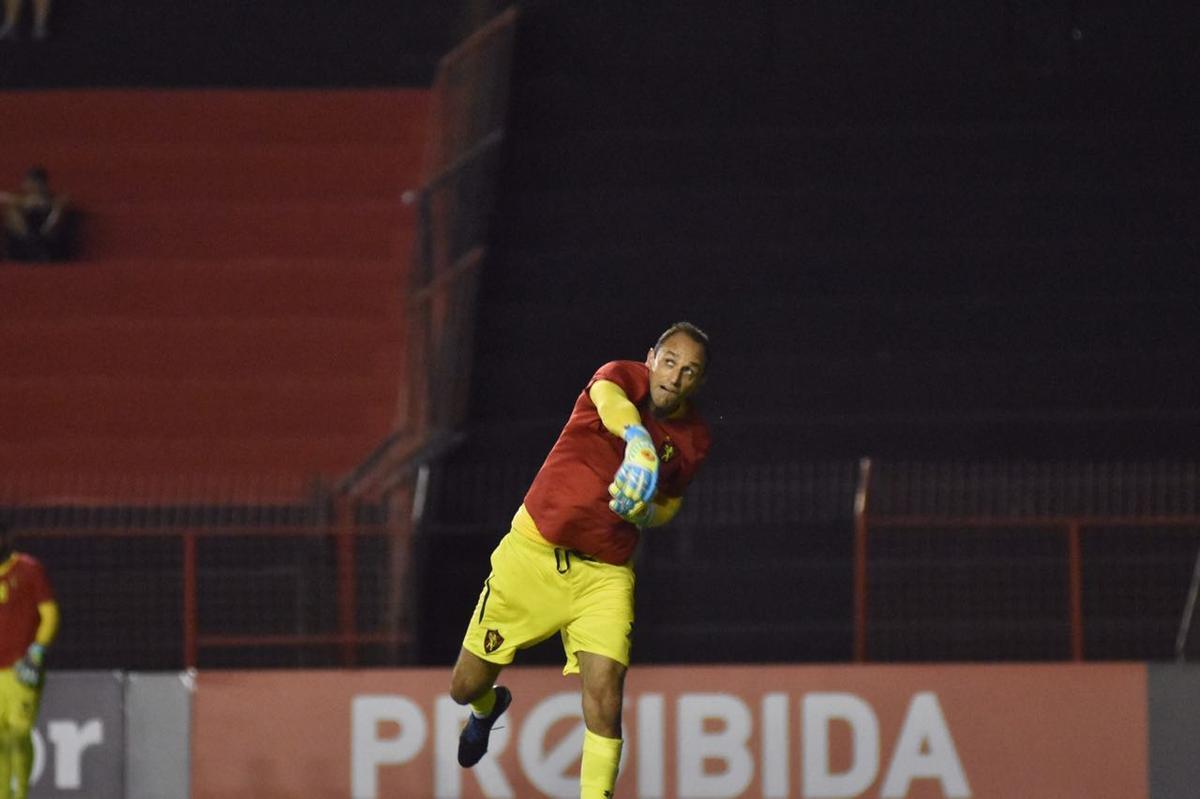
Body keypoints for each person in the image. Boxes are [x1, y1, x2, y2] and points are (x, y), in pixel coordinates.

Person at [449, 322, 712, 799]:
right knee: (464, 687)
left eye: (690, 371)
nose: (675, 377)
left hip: (604, 575)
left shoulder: (694, 439)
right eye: (670, 361)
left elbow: (672, 502)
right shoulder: (616, 378)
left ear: (699, 382)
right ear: (650, 357)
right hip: (531, 555)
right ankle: (487, 709)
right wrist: (637, 439)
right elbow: (611, 406)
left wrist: (648, 513)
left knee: (606, 693)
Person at [0, 522, 58, 799]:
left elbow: (49, 614)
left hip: (21, 669)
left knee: (18, 733)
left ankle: (20, 793)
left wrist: (37, 651)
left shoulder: (28, 569)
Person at [0, 167, 74, 262]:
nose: (26, 185)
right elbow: (4, 197)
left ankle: (35, 245)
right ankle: (33, 243)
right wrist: (24, 202)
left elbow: (64, 202)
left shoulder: (55, 200)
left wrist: (45, 205)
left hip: (47, 241)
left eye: (33, 182)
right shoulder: (17, 199)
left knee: (57, 211)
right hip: (23, 243)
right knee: (12, 212)